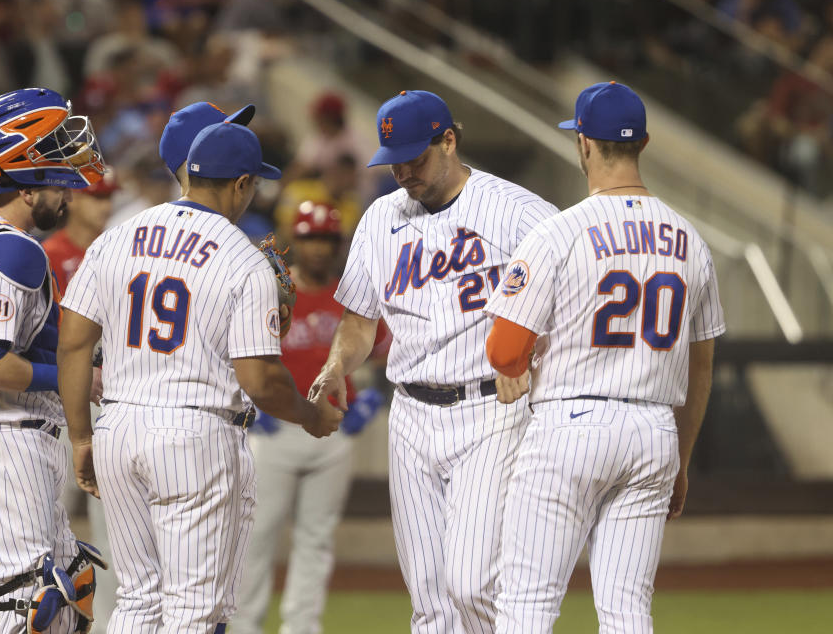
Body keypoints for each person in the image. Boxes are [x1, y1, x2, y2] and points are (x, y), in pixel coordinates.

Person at [57, 120, 343, 633]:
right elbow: (259, 380)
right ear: (240, 184)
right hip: (194, 436)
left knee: (138, 600)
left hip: (118, 427)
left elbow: (74, 341)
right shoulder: (242, 258)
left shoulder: (117, 237)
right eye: (254, 182)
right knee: (194, 610)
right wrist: (309, 414)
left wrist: (81, 435)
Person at [309, 90, 559, 634]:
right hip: (411, 416)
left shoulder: (518, 211)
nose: (403, 172)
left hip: (490, 412)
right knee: (429, 600)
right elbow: (358, 323)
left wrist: (538, 358)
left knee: (471, 585)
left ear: (449, 141)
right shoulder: (380, 219)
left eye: (416, 158)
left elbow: (574, 290)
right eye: (394, 160)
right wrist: (337, 364)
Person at [483, 81, 726, 633]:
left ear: (583, 145)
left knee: (526, 606)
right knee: (626, 610)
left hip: (571, 425)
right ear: (643, 143)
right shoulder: (691, 240)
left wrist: (524, 366)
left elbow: (503, 350)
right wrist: (682, 461)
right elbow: (701, 364)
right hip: (653, 432)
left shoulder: (559, 232)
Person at [0, 87, 107, 634]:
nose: (70, 192)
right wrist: (78, 379)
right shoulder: (10, 249)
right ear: (28, 186)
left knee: (71, 585)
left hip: (5, 439)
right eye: (60, 178)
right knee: (24, 601)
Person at [232, 202, 387, 634]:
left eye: (325, 239)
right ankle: (244, 626)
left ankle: (303, 628)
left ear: (337, 245)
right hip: (274, 428)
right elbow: (242, 355)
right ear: (295, 241)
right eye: (309, 237)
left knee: (316, 539)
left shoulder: (350, 297)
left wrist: (369, 401)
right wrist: (250, 403)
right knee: (256, 534)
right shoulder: (275, 292)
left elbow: (378, 361)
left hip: (333, 429)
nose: (317, 248)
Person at [44, 172, 119, 634]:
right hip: (55, 398)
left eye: (110, 197)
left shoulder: (115, 250)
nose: (105, 206)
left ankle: (108, 622)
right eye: (97, 197)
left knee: (110, 520)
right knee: (46, 516)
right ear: (73, 199)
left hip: (109, 391)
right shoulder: (50, 254)